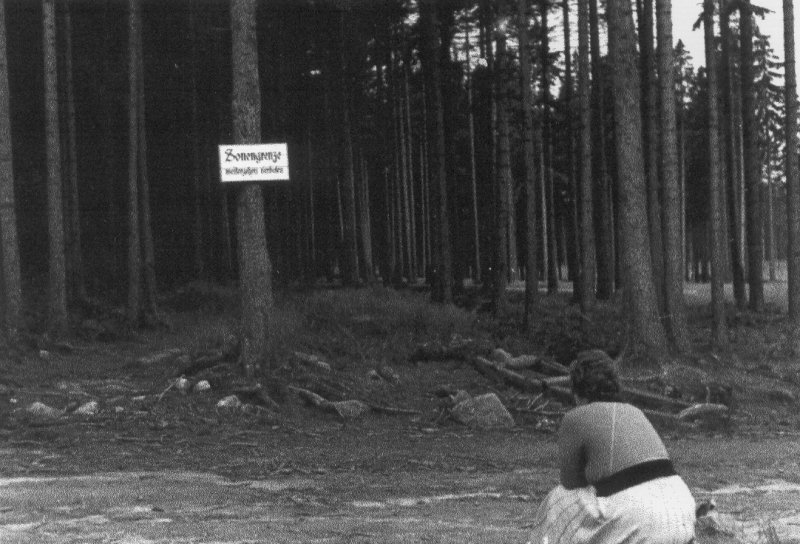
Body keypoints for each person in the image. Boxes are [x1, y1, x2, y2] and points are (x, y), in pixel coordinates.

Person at [528, 350, 696, 544]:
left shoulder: (575, 417)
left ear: (576, 390)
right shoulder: (636, 412)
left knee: (557, 499)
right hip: (682, 512)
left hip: (641, 521)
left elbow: (570, 483)